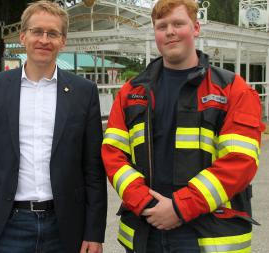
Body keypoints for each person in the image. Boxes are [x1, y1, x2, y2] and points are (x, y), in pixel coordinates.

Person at [102, 0, 265, 252]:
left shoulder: (233, 89)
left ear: (196, 28)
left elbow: (240, 161)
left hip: (208, 233)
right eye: (161, 26)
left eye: (178, 23)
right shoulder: (131, 92)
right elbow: (113, 154)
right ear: (154, 32)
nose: (170, 31)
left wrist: (180, 207)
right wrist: (142, 200)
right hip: (146, 228)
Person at [0, 1, 107, 252]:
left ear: (63, 41)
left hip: (65, 228)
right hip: (8, 226)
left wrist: (94, 232)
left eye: (53, 33)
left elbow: (93, 169)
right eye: (37, 31)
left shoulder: (84, 92)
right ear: (23, 36)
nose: (44, 39)